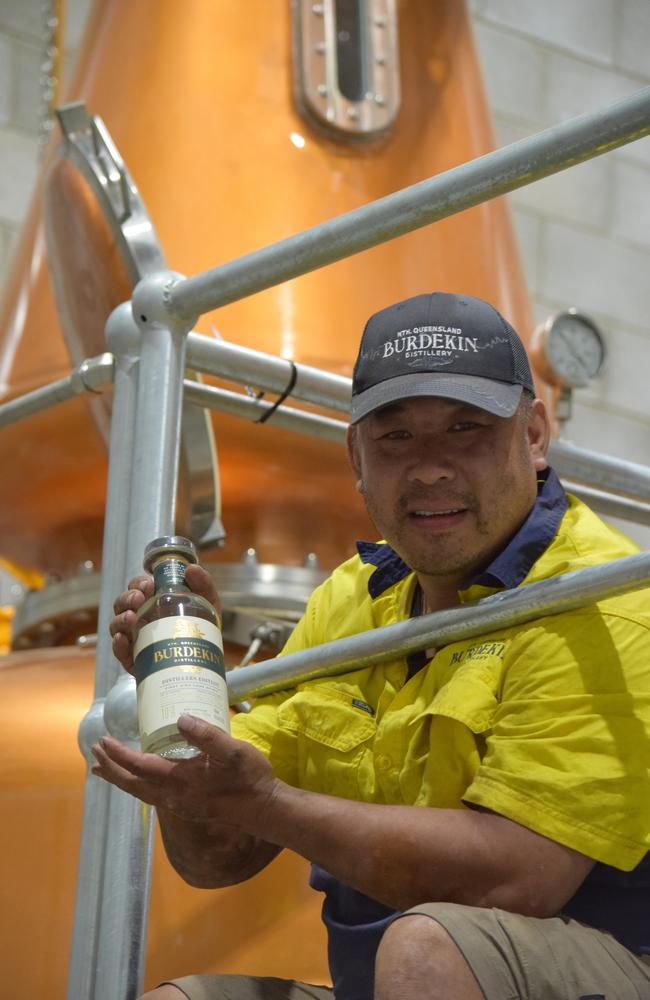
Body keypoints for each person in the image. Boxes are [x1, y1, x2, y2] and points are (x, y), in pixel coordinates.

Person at [94, 291, 650, 1000]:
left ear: (534, 436)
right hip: (389, 981)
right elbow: (216, 860)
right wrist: (183, 708)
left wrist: (269, 803)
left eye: (466, 427)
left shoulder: (605, 599)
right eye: (395, 437)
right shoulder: (352, 597)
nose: (430, 468)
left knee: (427, 951)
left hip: (596, 966)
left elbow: (522, 879)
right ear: (356, 454)